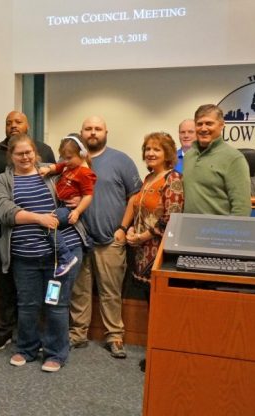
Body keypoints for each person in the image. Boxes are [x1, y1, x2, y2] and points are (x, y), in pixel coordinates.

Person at [0, 134, 89, 372]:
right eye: (19, 153)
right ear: (11, 156)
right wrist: (39, 219)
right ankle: (26, 349)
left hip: (59, 258)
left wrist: (78, 198)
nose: (25, 157)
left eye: (29, 152)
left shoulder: (51, 172)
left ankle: (56, 353)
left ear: (35, 153)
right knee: (27, 305)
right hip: (24, 258)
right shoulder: (3, 181)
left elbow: (82, 176)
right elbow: (3, 211)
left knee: (55, 305)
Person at [69, 116, 141, 359]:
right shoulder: (70, 161)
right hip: (78, 239)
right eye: (88, 129)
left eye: (97, 129)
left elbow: (134, 196)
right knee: (79, 290)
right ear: (81, 133)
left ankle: (114, 336)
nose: (93, 133)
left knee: (110, 292)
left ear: (106, 132)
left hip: (110, 239)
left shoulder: (121, 160)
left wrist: (123, 227)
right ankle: (77, 334)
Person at [0, 111, 55, 351]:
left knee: (47, 296)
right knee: (10, 289)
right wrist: (36, 218)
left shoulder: (46, 152)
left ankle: (45, 338)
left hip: (49, 244)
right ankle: (7, 332)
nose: (13, 125)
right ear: (10, 156)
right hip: (9, 237)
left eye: (18, 122)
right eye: (9, 122)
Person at [119, 132, 184, 372]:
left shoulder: (173, 179)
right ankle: (155, 352)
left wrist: (142, 236)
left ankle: (163, 355)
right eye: (148, 149)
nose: (150, 153)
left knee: (162, 310)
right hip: (141, 252)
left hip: (159, 254)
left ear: (167, 154)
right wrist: (130, 229)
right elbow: (139, 209)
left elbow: (171, 218)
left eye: (156, 149)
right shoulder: (148, 178)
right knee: (151, 307)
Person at [38, 134, 96, 277]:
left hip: (70, 209)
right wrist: (48, 169)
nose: (65, 161)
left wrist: (77, 211)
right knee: (49, 223)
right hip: (63, 205)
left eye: (69, 158)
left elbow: (88, 196)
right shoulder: (69, 165)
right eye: (63, 157)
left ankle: (66, 256)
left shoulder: (85, 173)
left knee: (48, 222)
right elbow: (58, 167)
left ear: (82, 154)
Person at [182, 104, 251, 216]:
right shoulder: (188, 156)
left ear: (221, 125)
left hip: (218, 227)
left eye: (209, 123)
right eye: (199, 124)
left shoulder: (234, 158)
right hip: (189, 225)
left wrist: (234, 228)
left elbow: (242, 208)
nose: (203, 128)